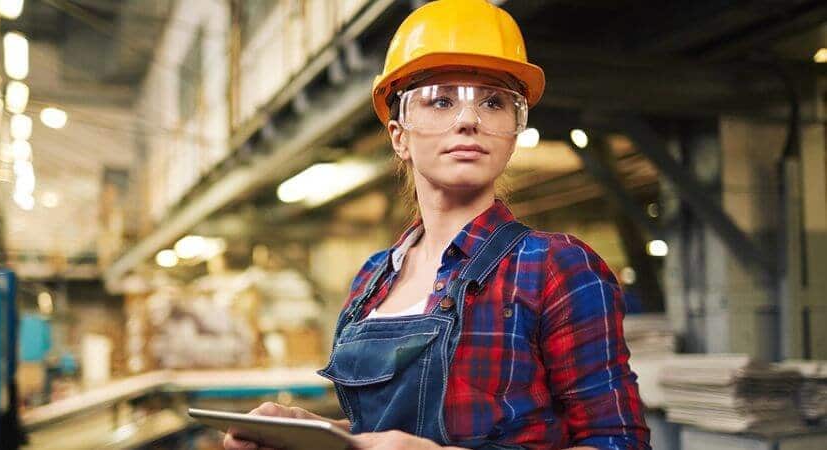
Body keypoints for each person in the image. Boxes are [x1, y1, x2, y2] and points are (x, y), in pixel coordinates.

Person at [224, 0, 650, 448]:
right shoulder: (373, 278)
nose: (469, 119)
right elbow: (383, 434)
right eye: (441, 100)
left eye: (494, 102)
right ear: (400, 136)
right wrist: (313, 432)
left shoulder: (554, 267)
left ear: (514, 130)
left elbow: (618, 440)